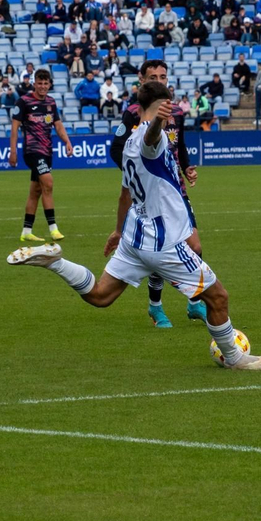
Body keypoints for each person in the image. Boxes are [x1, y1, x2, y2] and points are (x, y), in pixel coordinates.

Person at [7, 81, 261, 370]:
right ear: (163, 106)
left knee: (100, 295)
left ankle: (55, 262)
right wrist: (158, 121)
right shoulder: (152, 139)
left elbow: (125, 194)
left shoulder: (129, 146)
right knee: (218, 296)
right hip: (163, 242)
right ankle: (235, 358)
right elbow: (152, 140)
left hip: (135, 236)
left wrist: (119, 230)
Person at [108, 58, 204, 327]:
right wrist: (134, 173)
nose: (159, 81)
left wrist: (187, 168)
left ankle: (194, 303)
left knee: (195, 245)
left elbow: (179, 146)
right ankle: (156, 306)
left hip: (175, 192)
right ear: (142, 80)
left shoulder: (177, 113)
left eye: (163, 77)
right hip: (149, 195)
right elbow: (116, 149)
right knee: (159, 248)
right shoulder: (132, 113)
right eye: (153, 77)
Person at [10, 67, 73, 242]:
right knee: (48, 182)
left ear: (49, 84)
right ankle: (53, 228)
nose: (43, 86)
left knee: (35, 191)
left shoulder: (51, 103)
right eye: (40, 83)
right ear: (34, 83)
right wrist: (13, 151)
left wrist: (67, 141)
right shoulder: (23, 102)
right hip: (32, 150)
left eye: (46, 83)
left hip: (47, 151)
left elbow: (58, 126)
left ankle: (26, 231)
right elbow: (14, 128)